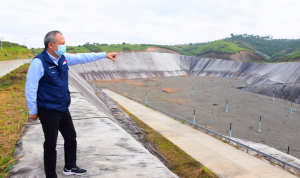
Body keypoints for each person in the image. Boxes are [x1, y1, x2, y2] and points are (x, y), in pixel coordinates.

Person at [25, 30, 120, 178]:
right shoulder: (38, 62)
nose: (64, 46)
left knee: (70, 137)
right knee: (51, 144)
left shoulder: (63, 58)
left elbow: (83, 57)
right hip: (48, 109)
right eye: (62, 43)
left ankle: (69, 167)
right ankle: (51, 175)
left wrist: (104, 55)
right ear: (51, 45)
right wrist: (33, 110)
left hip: (63, 106)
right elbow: (31, 88)